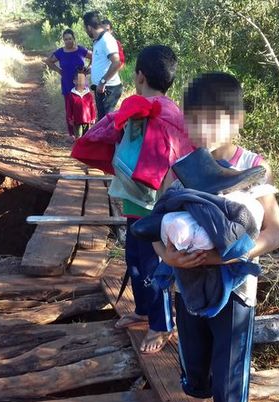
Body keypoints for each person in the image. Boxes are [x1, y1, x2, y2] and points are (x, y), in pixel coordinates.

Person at [152, 73, 279, 402]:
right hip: (189, 282)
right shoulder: (179, 170)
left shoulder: (253, 167)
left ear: (237, 119)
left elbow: (274, 233)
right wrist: (171, 256)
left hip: (237, 287)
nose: (202, 128)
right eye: (194, 119)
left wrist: (232, 254)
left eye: (213, 119)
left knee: (232, 360)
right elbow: (153, 232)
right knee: (193, 352)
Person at [71, 45, 194, 353]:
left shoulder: (148, 110)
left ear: (139, 76)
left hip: (155, 205)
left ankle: (161, 324)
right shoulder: (174, 113)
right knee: (135, 261)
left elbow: (105, 133)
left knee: (154, 266)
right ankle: (142, 311)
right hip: (137, 201)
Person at [44, 29, 92, 137]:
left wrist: (89, 69)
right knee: (70, 110)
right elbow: (48, 61)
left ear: (74, 39)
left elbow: (95, 56)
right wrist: (59, 71)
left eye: (70, 39)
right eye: (66, 39)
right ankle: (74, 135)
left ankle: (85, 135)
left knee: (83, 109)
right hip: (67, 82)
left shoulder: (81, 50)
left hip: (81, 82)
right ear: (63, 40)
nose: (68, 41)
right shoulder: (60, 52)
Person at [83, 11, 123, 120]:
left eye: (85, 29)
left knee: (105, 123)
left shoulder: (106, 39)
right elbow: (103, 62)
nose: (86, 31)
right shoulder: (97, 41)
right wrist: (90, 70)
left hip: (109, 89)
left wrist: (102, 81)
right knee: (101, 120)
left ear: (89, 27)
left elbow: (116, 62)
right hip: (101, 88)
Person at [65, 68, 96, 139]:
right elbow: (69, 108)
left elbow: (92, 106)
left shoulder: (88, 94)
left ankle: (85, 149)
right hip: (77, 121)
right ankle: (77, 148)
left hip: (87, 120)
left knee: (87, 136)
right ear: (74, 81)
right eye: (78, 80)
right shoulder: (71, 95)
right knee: (78, 137)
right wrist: (70, 118)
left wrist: (93, 117)